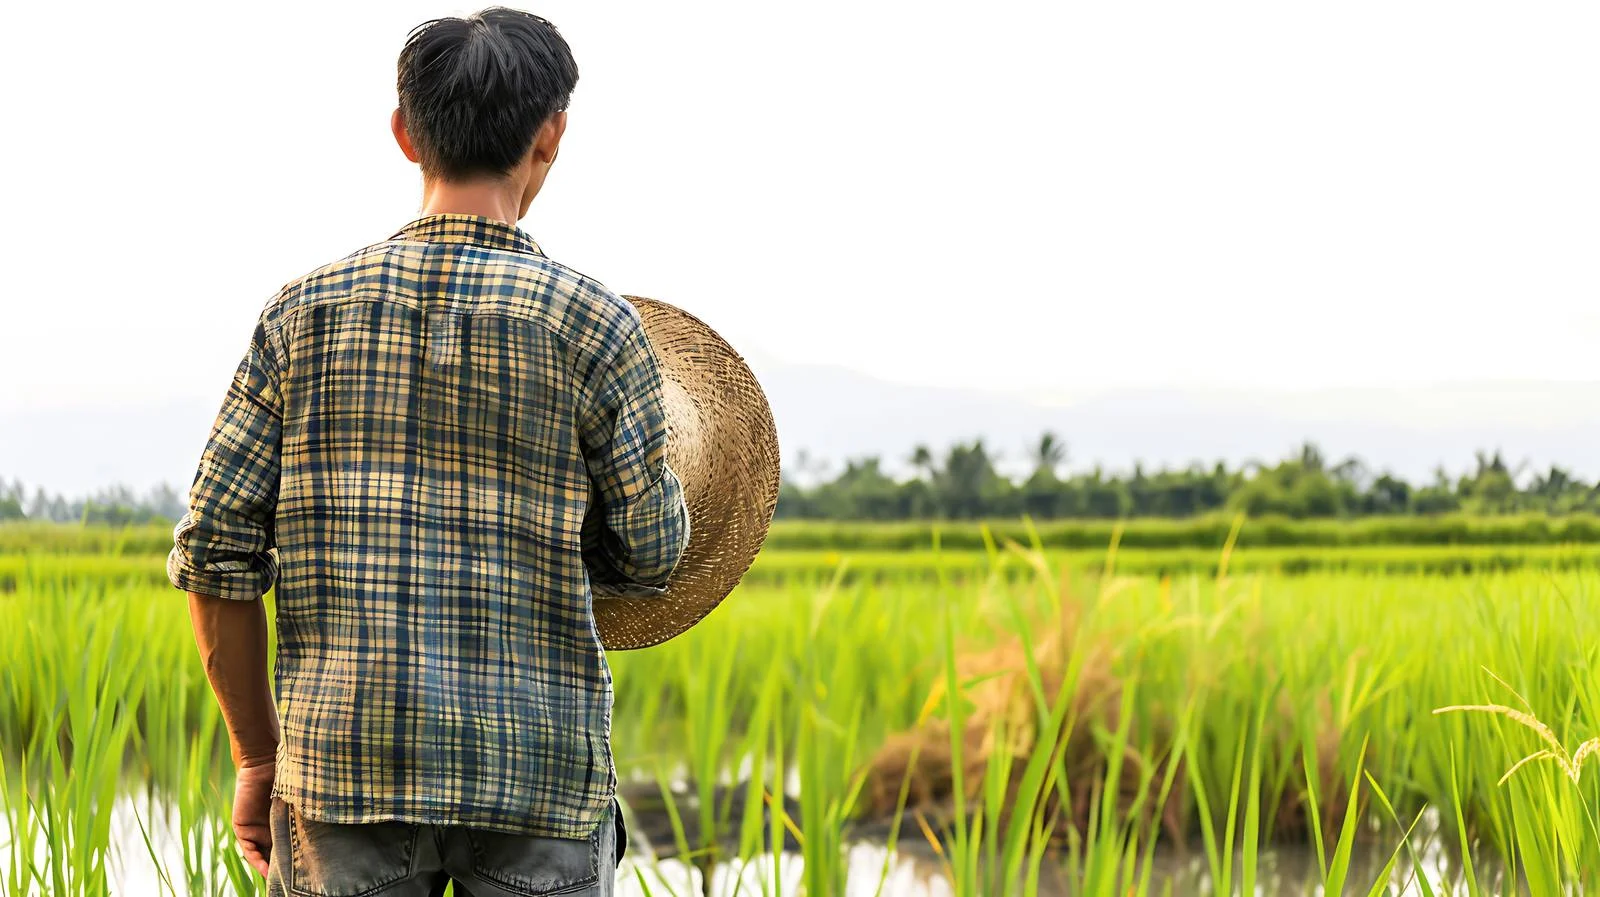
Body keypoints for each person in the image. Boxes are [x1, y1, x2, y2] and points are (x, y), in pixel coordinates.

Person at [166, 8, 690, 895]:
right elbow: (651, 556)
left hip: (340, 779)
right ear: (552, 135)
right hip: (538, 780)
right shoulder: (595, 326)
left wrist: (258, 754)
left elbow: (216, 554)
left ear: (405, 134)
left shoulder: (300, 316)